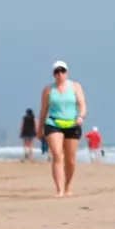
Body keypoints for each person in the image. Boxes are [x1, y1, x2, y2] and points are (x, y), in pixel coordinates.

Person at [38, 60, 87, 198]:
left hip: (72, 124)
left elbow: (82, 104)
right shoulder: (48, 90)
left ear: (67, 73)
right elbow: (43, 111)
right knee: (57, 155)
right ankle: (59, 189)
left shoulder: (75, 86)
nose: (60, 74)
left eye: (62, 71)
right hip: (53, 123)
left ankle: (68, 186)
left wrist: (81, 116)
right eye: (57, 71)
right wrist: (39, 128)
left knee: (70, 160)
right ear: (54, 74)